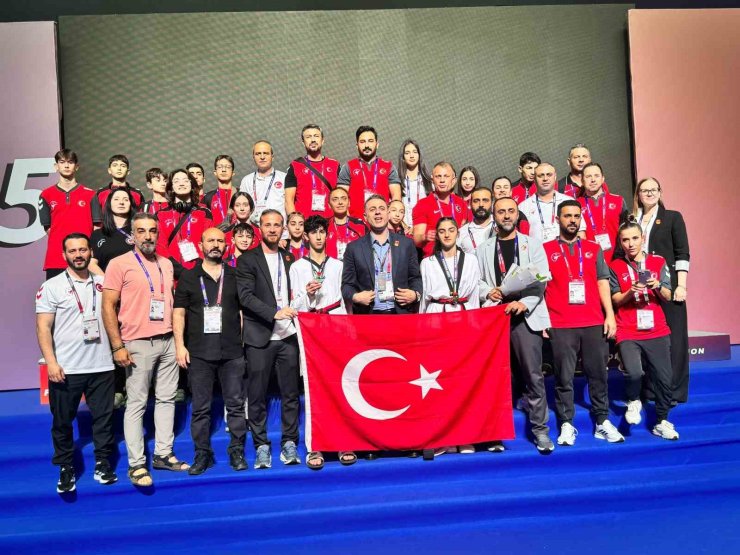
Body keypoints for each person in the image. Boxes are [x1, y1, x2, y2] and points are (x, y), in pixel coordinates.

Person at [102, 213, 188, 487]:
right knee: (136, 403)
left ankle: (163, 454)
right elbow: (107, 306)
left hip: (167, 340)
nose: (148, 236)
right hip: (137, 343)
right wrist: (117, 345)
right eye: (141, 231)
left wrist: (177, 341)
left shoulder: (167, 263)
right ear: (133, 235)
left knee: (166, 399)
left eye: (152, 230)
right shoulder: (119, 264)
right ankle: (136, 464)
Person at [36, 233, 117, 493]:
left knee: (104, 420)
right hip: (66, 368)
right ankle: (66, 467)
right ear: (64, 255)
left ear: (90, 252)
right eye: (72, 251)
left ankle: (103, 463)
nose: (78, 255)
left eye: (83, 249)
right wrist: (51, 363)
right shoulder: (52, 286)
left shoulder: (104, 283)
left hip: (102, 365)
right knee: (62, 422)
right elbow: (43, 327)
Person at [543, 200, 623, 446]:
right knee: (564, 378)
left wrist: (609, 315)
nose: (572, 220)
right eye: (567, 216)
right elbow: (540, 287)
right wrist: (543, 319)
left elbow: (602, 282)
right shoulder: (544, 249)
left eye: (576, 216)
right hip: (560, 322)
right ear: (557, 219)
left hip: (593, 321)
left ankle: (602, 421)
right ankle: (566, 423)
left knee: (598, 375)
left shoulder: (593, 248)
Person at [477, 197, 554, 453]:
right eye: (501, 212)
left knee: (533, 375)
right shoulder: (484, 248)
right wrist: (488, 291)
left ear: (517, 215)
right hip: (495, 318)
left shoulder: (533, 244)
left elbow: (542, 278)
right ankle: (494, 433)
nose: (506, 215)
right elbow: (476, 280)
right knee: (495, 377)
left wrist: (525, 303)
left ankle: (540, 431)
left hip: (525, 317)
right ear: (494, 216)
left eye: (511, 211)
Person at [174, 228, 248, 474]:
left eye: (220, 241)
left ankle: (236, 451)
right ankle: (202, 454)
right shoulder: (188, 276)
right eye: (210, 241)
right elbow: (179, 313)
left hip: (232, 351)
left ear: (226, 246)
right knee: (200, 408)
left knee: (235, 405)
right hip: (199, 352)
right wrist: (179, 346)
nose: (215, 244)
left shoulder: (235, 275)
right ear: (200, 245)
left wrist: (242, 343)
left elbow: (241, 312)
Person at [236, 209, 301, 469]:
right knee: (257, 395)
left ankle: (289, 442)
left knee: (291, 394)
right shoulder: (247, 260)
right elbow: (245, 296)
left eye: (277, 225)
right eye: (267, 225)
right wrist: (274, 312)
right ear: (260, 228)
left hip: (288, 335)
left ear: (283, 228)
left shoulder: (290, 257)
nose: (272, 229)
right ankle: (261, 445)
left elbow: (293, 291)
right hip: (260, 335)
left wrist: (306, 293)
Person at [289, 215, 350, 469]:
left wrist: (346, 329)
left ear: (327, 235)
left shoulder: (337, 265)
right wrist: (307, 293)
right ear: (306, 236)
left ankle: (343, 441)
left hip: (334, 326)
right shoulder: (297, 267)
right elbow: (294, 305)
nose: (317, 236)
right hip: (311, 328)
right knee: (314, 390)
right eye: (313, 232)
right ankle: (315, 446)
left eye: (321, 232)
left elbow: (344, 301)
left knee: (339, 386)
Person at [610, 221, 679, 440]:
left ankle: (662, 421)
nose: (630, 244)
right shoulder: (615, 266)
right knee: (634, 372)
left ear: (642, 238)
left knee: (664, 378)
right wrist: (630, 292)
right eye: (625, 240)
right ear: (620, 242)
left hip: (656, 329)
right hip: (628, 329)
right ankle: (633, 400)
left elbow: (668, 296)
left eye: (634, 238)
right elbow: (615, 300)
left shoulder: (658, 262)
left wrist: (656, 285)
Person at [419, 217, 481, 455]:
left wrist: (476, 326)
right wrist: (423, 328)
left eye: (451, 230)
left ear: (458, 233)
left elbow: (474, 295)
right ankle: (442, 437)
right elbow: (425, 298)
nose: (446, 234)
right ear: (437, 235)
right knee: (440, 379)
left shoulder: (471, 260)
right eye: (442, 231)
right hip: (437, 316)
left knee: (463, 379)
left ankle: (464, 436)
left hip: (463, 316)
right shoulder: (427, 263)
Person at [632, 177, 690, 404]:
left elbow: (682, 253)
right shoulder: (632, 219)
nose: (649, 193)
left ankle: (673, 392)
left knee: (674, 339)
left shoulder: (672, 217)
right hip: (640, 285)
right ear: (638, 194)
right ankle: (649, 390)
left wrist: (681, 285)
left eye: (653, 189)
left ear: (660, 192)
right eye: (644, 190)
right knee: (647, 337)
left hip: (668, 286)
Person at [342, 195, 422, 315]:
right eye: (372, 209)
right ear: (365, 217)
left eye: (382, 208)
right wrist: (355, 297)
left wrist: (415, 294)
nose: (378, 212)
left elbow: (415, 278)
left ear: (388, 213)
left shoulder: (406, 244)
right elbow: (347, 285)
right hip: (368, 315)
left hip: (400, 314)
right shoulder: (353, 248)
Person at [39, 149, 100, 280]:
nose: (66, 166)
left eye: (70, 162)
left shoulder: (90, 194)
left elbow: (96, 228)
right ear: (56, 166)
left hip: (84, 258)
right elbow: (48, 228)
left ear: (76, 167)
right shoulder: (46, 194)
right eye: (62, 162)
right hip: (56, 258)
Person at [155, 169, 213, 279]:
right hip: (170, 274)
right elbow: (160, 247)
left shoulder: (204, 213)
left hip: (199, 273)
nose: (181, 184)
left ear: (192, 185)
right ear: (171, 187)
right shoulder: (160, 215)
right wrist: (179, 270)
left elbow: (209, 242)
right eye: (176, 181)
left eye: (185, 180)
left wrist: (198, 267)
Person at [337, 126, 402, 219]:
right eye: (362, 142)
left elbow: (396, 197)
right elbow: (341, 197)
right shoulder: (348, 167)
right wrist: (349, 222)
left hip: (382, 222)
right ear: (357, 145)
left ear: (377, 144)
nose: (366, 145)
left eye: (370, 141)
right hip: (355, 222)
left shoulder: (389, 167)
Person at [412, 161, 472, 258]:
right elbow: (416, 240)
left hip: (458, 257)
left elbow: (465, 233)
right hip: (433, 259)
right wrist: (425, 237)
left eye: (446, 176)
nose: (442, 180)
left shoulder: (461, 204)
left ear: (453, 180)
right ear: (432, 180)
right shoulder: (422, 204)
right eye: (438, 176)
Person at [519, 163, 583, 243]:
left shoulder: (569, 202)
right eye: (541, 175)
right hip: (537, 250)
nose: (545, 178)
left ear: (555, 177)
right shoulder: (523, 207)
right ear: (534, 179)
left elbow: (581, 233)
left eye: (549, 175)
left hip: (564, 250)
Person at [285, 124, 339, 218]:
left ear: (322, 140)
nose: (313, 140)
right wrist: (295, 223)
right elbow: (289, 200)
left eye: (316, 136)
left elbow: (342, 196)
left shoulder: (335, 165)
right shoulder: (295, 165)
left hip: (330, 222)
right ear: (303, 142)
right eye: (308, 137)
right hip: (304, 223)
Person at [576, 163, 628, 263]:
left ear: (603, 179)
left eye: (596, 176)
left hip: (618, 259)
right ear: (582, 181)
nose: (593, 180)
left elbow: (627, 231)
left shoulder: (618, 201)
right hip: (589, 260)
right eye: (588, 176)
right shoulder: (576, 205)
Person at [240, 140, 287, 225]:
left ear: (272, 157)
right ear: (253, 157)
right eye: (258, 154)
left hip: (280, 230)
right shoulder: (246, 180)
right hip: (253, 230)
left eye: (266, 153)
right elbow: (241, 207)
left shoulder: (285, 178)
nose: (262, 157)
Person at [90, 188, 136, 275]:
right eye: (116, 199)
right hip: (107, 281)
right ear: (109, 204)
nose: (121, 202)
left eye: (126, 200)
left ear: (131, 204)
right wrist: (108, 281)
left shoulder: (139, 231)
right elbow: (91, 263)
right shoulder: (98, 234)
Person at [398, 139, 432, 229]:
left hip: (423, 229)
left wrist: (418, 228)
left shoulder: (429, 180)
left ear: (419, 155)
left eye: (415, 152)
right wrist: (405, 226)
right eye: (407, 153)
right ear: (403, 157)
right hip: (403, 229)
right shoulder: (398, 180)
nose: (411, 156)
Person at [325, 187, 366, 260]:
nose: (340, 202)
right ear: (329, 205)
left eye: (344, 198)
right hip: (330, 266)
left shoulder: (360, 225)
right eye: (335, 199)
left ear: (349, 203)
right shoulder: (324, 225)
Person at [222, 192, 262, 261]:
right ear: (232, 208)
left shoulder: (260, 232)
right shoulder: (225, 234)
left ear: (251, 208)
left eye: (245, 205)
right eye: (237, 205)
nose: (242, 209)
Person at [203, 155, 238, 227]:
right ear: (215, 173)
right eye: (220, 167)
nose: (224, 170)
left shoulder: (240, 195)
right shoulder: (207, 197)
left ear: (233, 173)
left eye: (228, 167)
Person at [458, 187, 494, 254]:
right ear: (470, 204)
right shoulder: (461, 232)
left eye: (485, 200)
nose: (481, 205)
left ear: (492, 203)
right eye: (476, 201)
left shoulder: (500, 227)